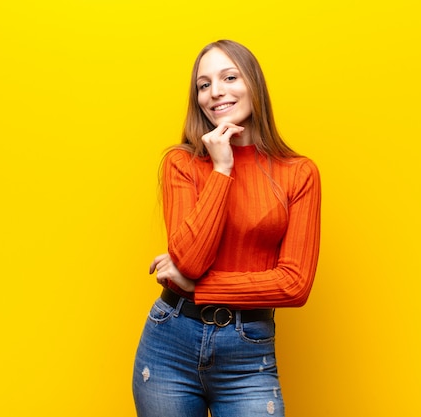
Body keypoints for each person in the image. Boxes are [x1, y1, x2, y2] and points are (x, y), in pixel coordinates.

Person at [132, 39, 321, 417]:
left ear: (253, 84)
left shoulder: (299, 173)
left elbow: (294, 284)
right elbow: (191, 259)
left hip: (248, 352)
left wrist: (197, 287)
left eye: (229, 77)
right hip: (170, 342)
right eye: (204, 85)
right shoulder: (181, 164)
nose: (215, 92)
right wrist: (222, 169)